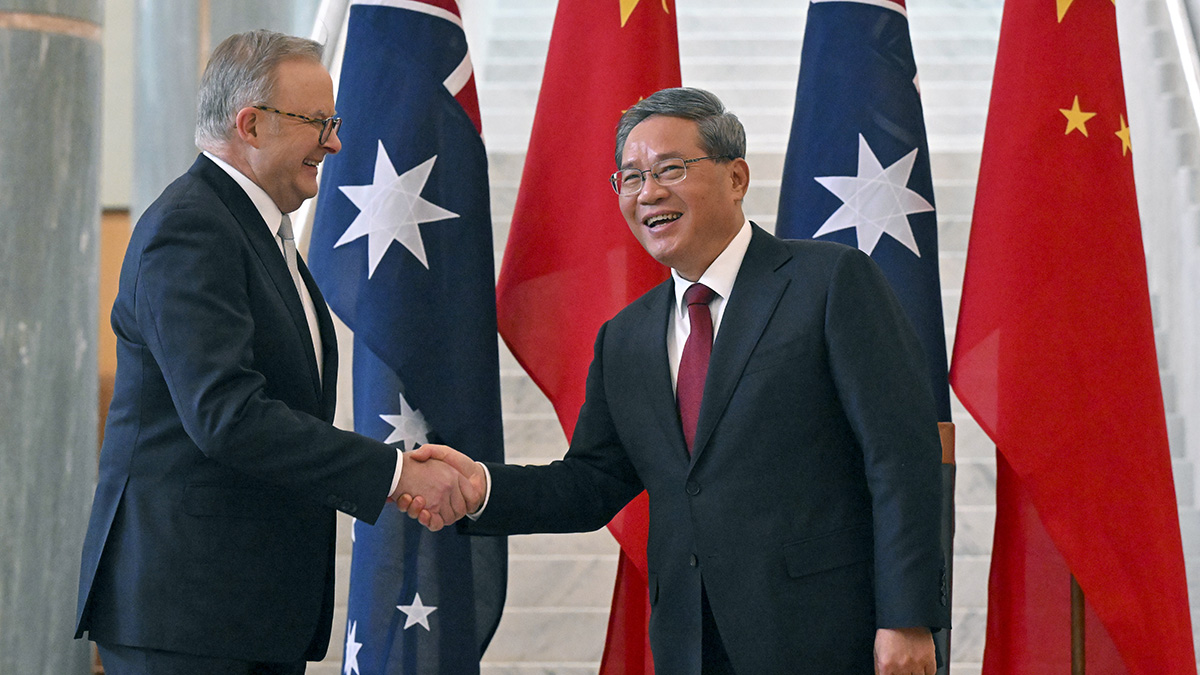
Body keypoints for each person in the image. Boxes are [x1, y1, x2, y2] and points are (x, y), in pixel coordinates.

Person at [405, 87, 949, 674]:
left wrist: (906, 616)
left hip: (827, 635)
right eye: (631, 177)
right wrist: (481, 487)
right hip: (689, 644)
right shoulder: (625, 338)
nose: (649, 193)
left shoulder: (830, 282)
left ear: (736, 178)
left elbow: (900, 456)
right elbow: (591, 483)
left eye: (670, 169)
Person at [75, 30, 478, 674]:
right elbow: (227, 416)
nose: (335, 143)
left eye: (334, 123)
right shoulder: (192, 227)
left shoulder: (255, 230)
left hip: (245, 611)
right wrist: (395, 473)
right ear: (251, 124)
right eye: (319, 123)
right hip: (190, 612)